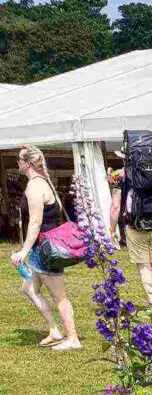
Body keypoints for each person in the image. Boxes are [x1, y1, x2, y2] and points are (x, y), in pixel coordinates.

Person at [10, 145, 82, 350]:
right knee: (29, 288)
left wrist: (24, 251)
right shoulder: (42, 182)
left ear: (27, 163)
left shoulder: (35, 186)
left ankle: (73, 338)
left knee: (59, 297)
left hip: (45, 250)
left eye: (19, 159)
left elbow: (35, 222)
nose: (17, 162)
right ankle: (54, 330)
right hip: (41, 248)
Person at [109, 143, 152, 307]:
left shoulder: (120, 176)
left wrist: (112, 229)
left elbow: (115, 206)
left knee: (143, 267)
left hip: (134, 226)